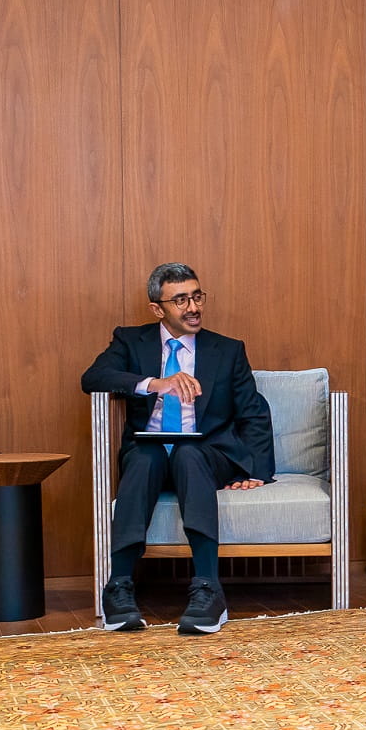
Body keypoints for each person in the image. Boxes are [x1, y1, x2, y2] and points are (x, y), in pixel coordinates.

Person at [82, 263, 273, 635]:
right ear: (158, 308)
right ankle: (119, 587)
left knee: (188, 453)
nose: (193, 307)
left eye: (197, 296)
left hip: (205, 453)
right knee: (145, 454)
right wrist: (155, 383)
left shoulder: (228, 350)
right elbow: (93, 379)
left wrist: (256, 472)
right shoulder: (129, 340)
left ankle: (208, 588)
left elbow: (253, 412)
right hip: (149, 450)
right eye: (181, 299)